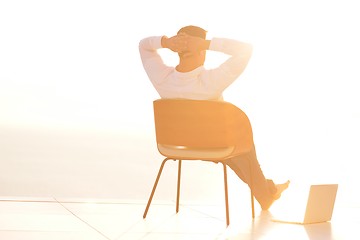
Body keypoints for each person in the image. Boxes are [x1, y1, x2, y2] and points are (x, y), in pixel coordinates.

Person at [139, 25, 289, 210]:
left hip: (180, 145)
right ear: (202, 51)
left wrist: (166, 42)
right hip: (214, 145)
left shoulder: (161, 78)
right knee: (241, 150)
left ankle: (268, 190)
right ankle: (266, 194)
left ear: (177, 51)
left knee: (234, 158)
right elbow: (245, 50)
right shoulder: (211, 81)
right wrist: (207, 44)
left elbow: (143, 46)